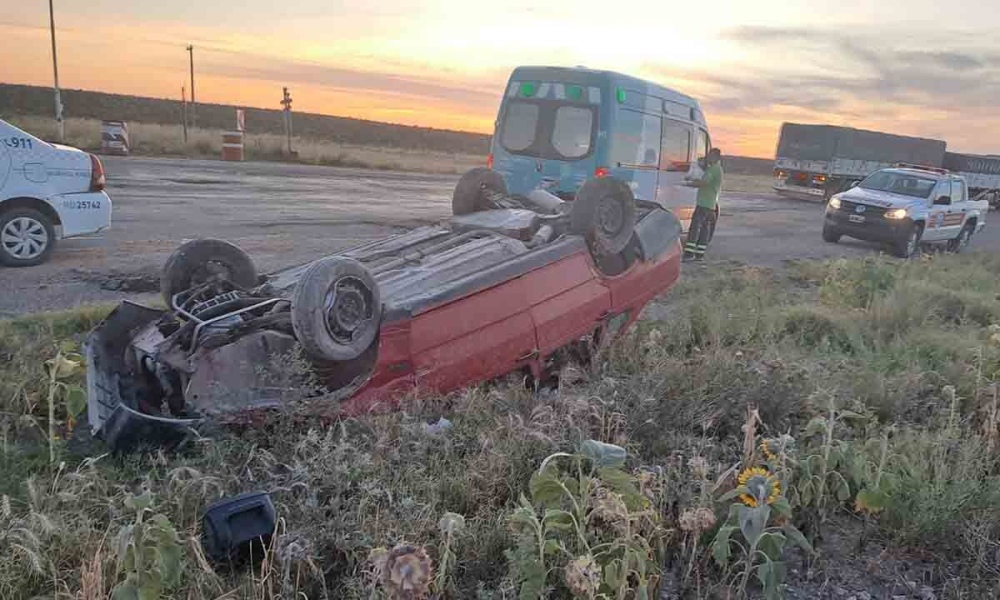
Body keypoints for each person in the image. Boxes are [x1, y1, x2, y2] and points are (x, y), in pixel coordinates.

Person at [683, 148, 724, 260]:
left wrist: (688, 183)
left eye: (710, 155)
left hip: (704, 204)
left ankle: (689, 254)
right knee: (705, 230)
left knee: (695, 228)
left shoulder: (713, 169)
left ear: (715, 157)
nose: (708, 158)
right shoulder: (718, 169)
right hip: (710, 205)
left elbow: (704, 182)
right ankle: (699, 254)